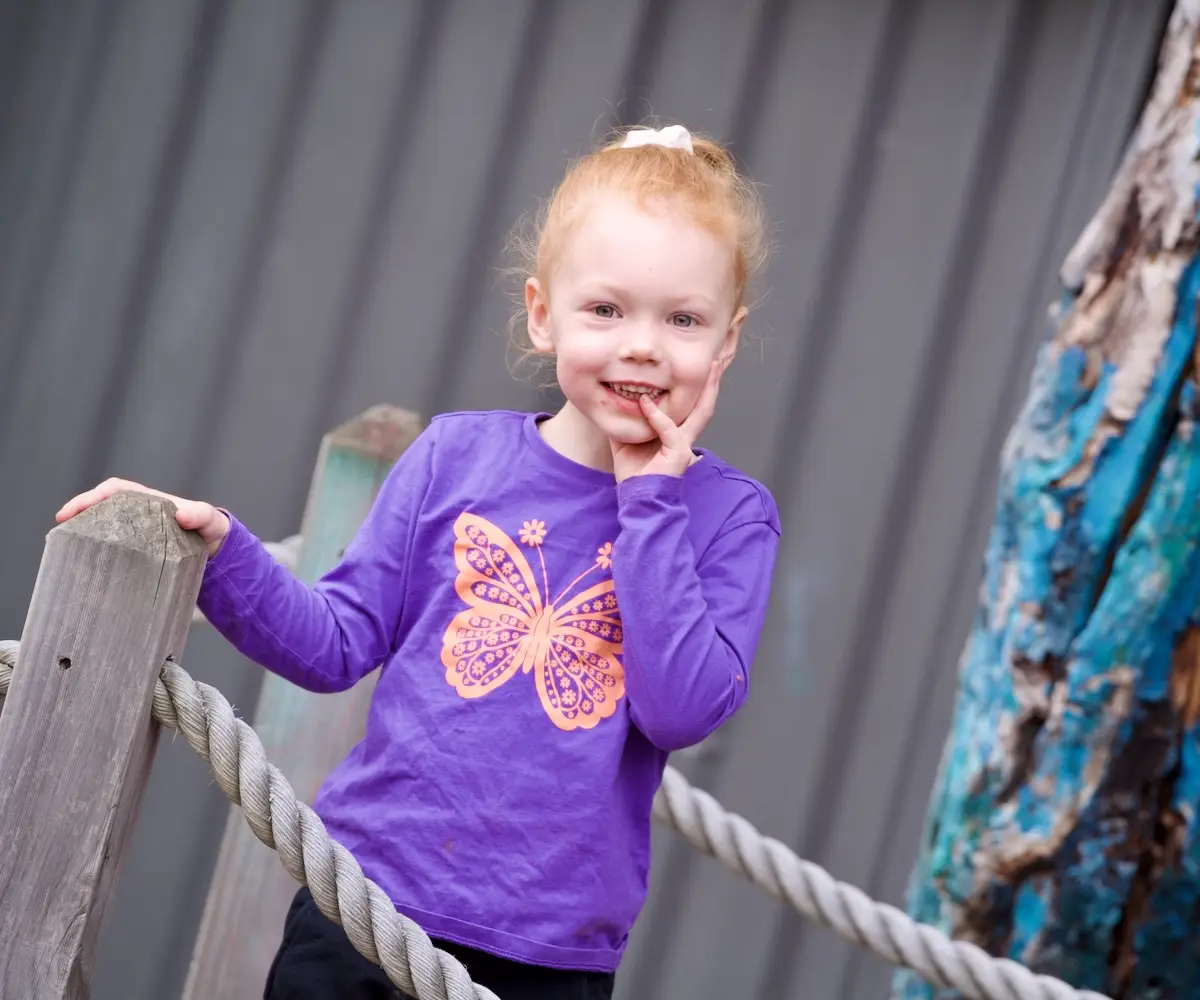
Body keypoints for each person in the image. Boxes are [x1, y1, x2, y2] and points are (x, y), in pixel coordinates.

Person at [56, 122, 780, 1000]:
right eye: (606, 309)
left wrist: (652, 502)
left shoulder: (727, 518)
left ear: (726, 343)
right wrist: (221, 549)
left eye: (683, 319)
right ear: (543, 314)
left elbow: (681, 710)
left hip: (545, 953)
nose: (642, 345)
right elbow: (335, 643)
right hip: (365, 901)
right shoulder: (455, 460)